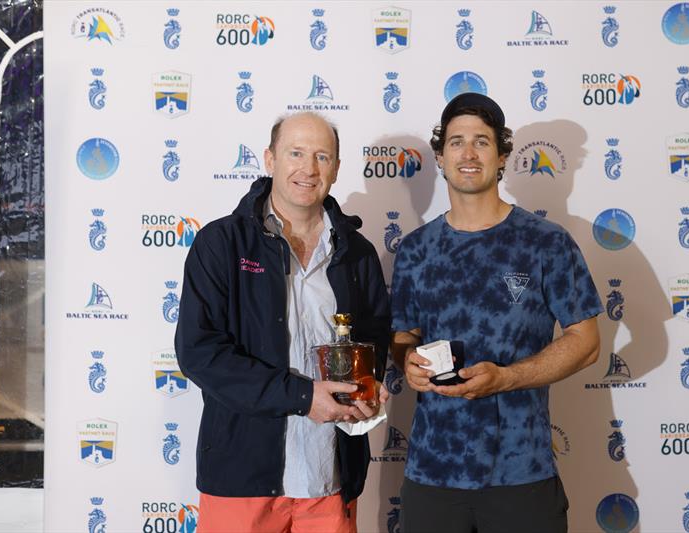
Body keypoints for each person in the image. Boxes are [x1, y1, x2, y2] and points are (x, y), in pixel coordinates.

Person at [391, 93, 603, 533]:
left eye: (482, 142)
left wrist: (506, 378)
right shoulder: (414, 250)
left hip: (520, 473)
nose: (468, 154)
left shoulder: (546, 242)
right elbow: (403, 337)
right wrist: (406, 363)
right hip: (433, 474)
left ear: (503, 156)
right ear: (440, 156)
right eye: (456, 142)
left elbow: (586, 344)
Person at [176, 112, 390, 533]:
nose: (308, 169)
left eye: (322, 156)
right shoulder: (221, 243)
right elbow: (199, 353)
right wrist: (303, 396)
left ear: (336, 169)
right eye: (296, 153)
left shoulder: (357, 253)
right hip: (241, 482)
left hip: (329, 479)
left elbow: (374, 339)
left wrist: (366, 388)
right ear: (270, 160)